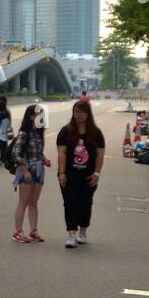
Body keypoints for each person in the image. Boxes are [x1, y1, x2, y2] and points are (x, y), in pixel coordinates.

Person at [57, 100, 105, 248]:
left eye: (82, 112)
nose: (79, 115)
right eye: (76, 112)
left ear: (88, 114)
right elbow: (62, 153)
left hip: (88, 177)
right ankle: (71, 234)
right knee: (70, 204)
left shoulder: (96, 133)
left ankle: (83, 231)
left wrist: (96, 174)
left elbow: (99, 155)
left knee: (85, 204)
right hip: (69, 176)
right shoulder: (66, 131)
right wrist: (62, 173)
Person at [11, 104, 50, 243]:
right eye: (39, 114)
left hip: (39, 170)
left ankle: (33, 230)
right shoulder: (24, 133)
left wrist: (44, 159)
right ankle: (17, 231)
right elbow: (16, 154)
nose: (42, 117)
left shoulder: (38, 133)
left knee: (33, 202)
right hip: (27, 171)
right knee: (23, 202)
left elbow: (37, 151)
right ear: (31, 116)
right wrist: (25, 170)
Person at [0, 95, 12, 164]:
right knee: (3, 147)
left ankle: (2, 160)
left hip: (0, 133)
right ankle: (3, 160)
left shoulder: (2, 113)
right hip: (4, 132)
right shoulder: (7, 111)